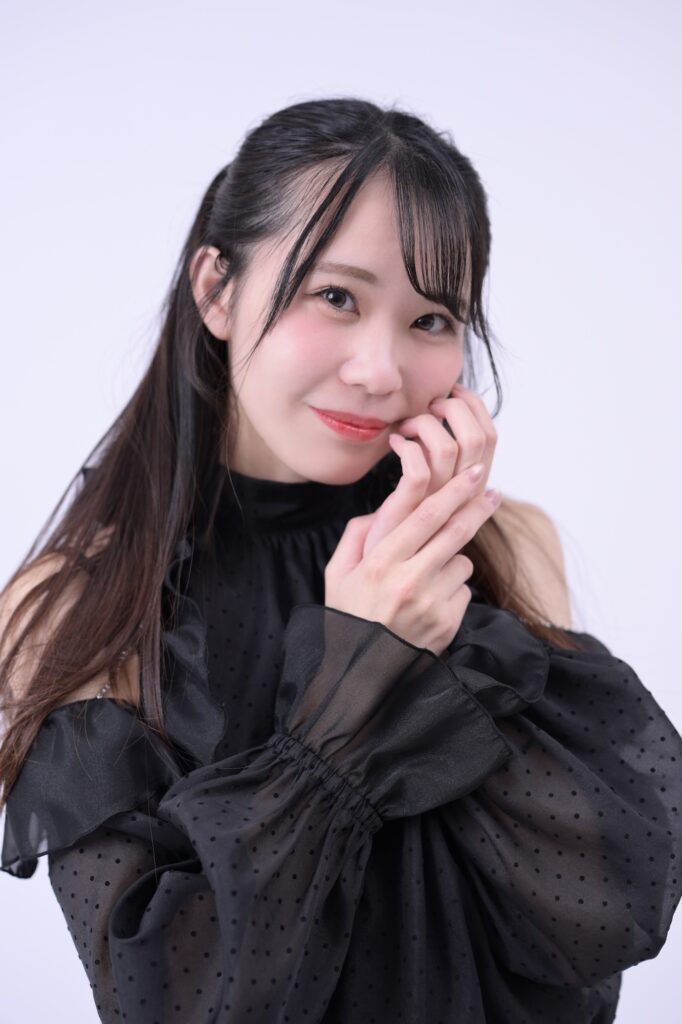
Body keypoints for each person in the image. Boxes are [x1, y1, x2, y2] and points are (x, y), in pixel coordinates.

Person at [0, 97, 680, 1024]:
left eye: (431, 319)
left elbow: (603, 911)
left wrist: (444, 625)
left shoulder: (509, 544)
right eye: (336, 297)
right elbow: (174, 997)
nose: (380, 371)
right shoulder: (79, 605)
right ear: (217, 290)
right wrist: (356, 679)